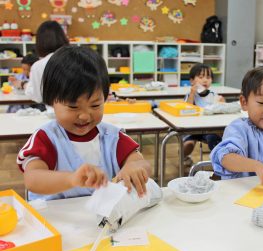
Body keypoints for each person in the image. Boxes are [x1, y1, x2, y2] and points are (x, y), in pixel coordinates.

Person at [17, 45, 151, 201]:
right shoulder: (46, 138)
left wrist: (134, 167)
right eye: (73, 107)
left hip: (103, 219)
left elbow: (141, 163)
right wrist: (71, 179)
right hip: (55, 220)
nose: (85, 116)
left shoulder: (111, 136)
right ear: (52, 101)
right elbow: (32, 179)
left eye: (95, 105)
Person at [183, 63, 224, 167]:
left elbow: (219, 110)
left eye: (208, 77)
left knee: (214, 139)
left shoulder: (213, 95)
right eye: (201, 77)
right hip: (192, 128)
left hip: (208, 129)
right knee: (188, 144)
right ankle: (183, 158)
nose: (205, 80)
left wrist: (222, 103)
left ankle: (218, 161)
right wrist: (192, 93)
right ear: (192, 81)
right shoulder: (190, 94)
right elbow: (186, 108)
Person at [23, 20, 69, 105]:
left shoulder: (39, 66)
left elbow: (37, 97)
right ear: (63, 37)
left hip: (53, 111)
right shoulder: (75, 59)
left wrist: (24, 85)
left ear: (39, 41)